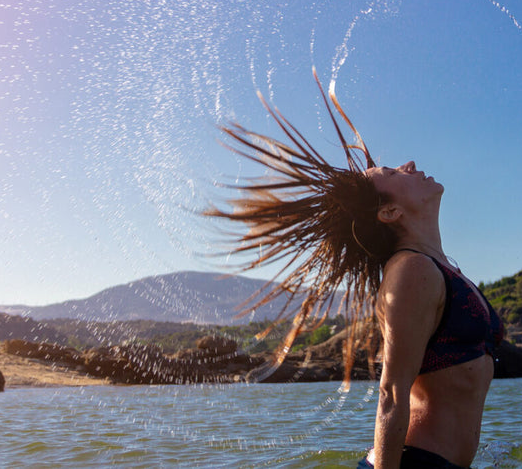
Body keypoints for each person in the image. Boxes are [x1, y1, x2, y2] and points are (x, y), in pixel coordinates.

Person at [206, 71, 503, 468]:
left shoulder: (441, 269)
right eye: (395, 173)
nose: (410, 163)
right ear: (389, 211)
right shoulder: (411, 271)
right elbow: (391, 394)